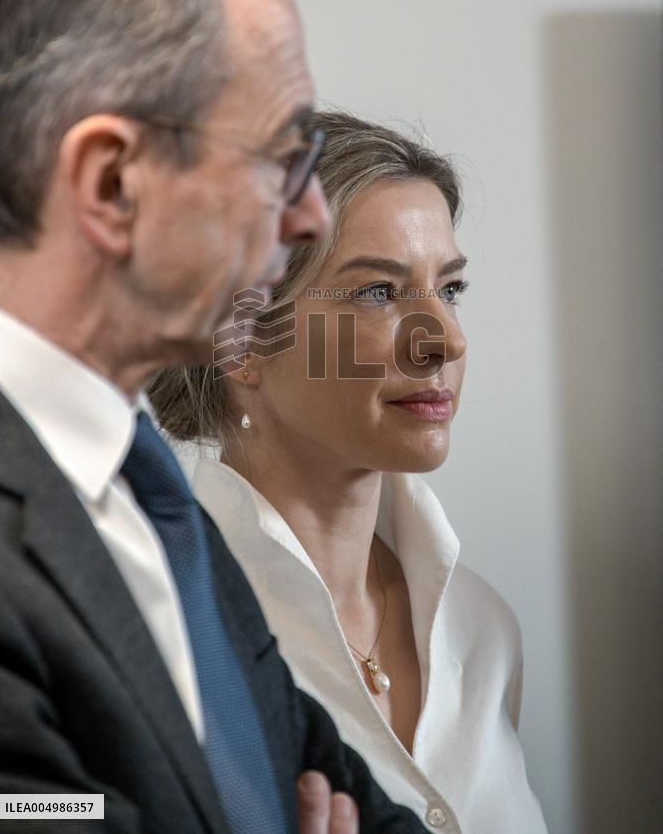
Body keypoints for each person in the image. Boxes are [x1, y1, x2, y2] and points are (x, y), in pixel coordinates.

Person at [0, 0, 425, 834]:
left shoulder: (148, 492)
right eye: (282, 157)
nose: (312, 216)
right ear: (113, 184)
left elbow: (338, 787)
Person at [152, 111, 549, 833]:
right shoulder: (148, 614)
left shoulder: (482, 629)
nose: (446, 338)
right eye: (379, 292)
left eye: (450, 289)